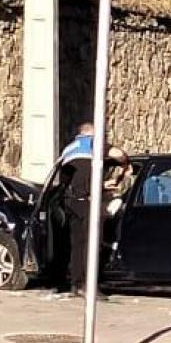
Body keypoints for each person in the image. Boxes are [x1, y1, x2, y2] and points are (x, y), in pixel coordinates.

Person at [59, 124, 129, 299]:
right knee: (92, 244)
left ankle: (76, 284)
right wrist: (126, 164)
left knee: (78, 244)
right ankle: (88, 286)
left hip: (71, 201)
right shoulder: (91, 143)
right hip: (87, 202)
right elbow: (118, 154)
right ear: (92, 134)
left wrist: (101, 186)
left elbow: (69, 178)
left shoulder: (69, 148)